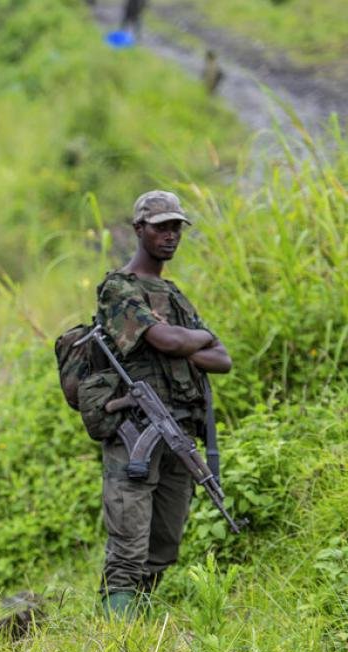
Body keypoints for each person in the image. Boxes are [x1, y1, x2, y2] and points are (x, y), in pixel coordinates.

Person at [94, 191, 232, 617]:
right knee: (128, 543)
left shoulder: (173, 295)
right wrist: (188, 342)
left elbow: (222, 359)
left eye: (176, 227)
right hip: (135, 429)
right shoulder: (118, 289)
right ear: (139, 229)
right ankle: (114, 636)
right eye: (161, 227)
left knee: (164, 542)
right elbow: (166, 339)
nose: (170, 235)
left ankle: (141, 624)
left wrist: (182, 345)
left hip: (179, 431)